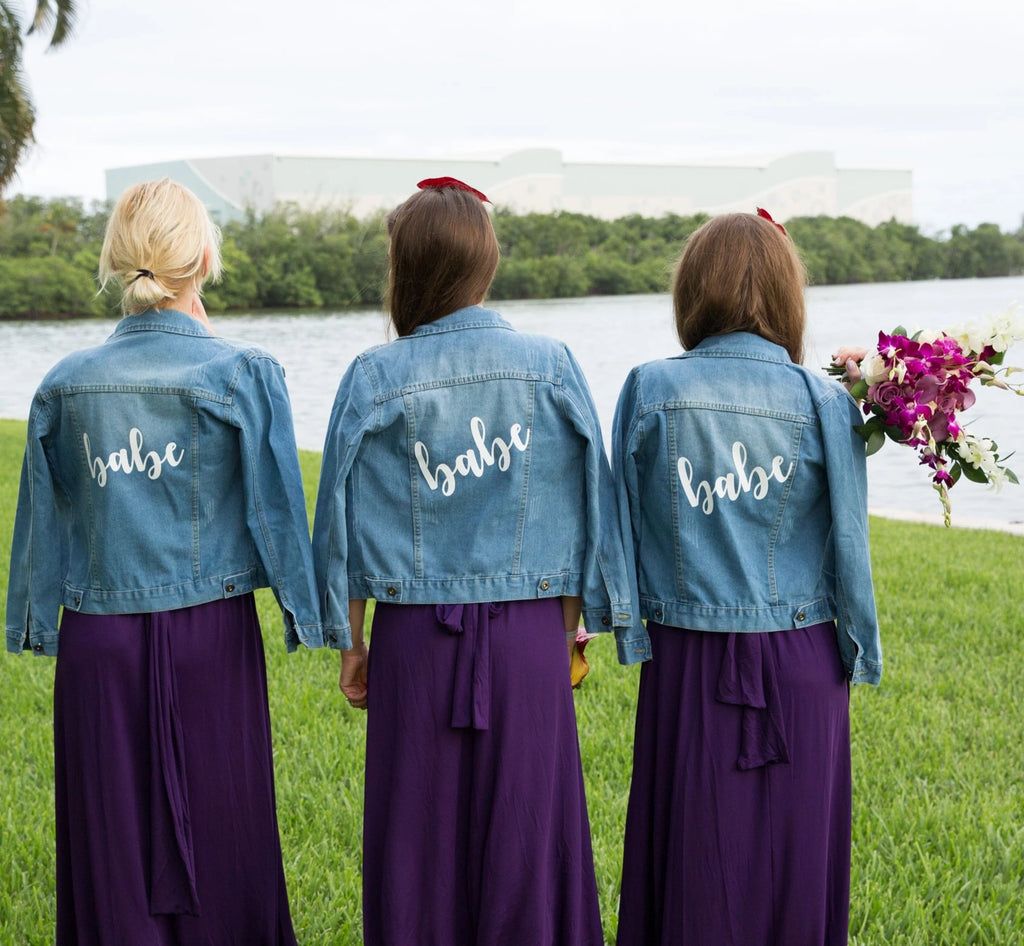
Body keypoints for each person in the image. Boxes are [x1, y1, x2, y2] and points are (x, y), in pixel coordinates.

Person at [312, 176, 650, 946]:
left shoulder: (374, 373)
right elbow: (586, 510)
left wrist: (353, 642)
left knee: (416, 848)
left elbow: (340, 518)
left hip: (414, 642)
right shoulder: (551, 363)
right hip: (530, 640)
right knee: (532, 844)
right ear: (484, 263)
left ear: (406, 268)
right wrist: (572, 629)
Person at [5, 178, 323, 945]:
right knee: (227, 819)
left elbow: (38, 527)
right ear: (203, 258)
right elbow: (278, 513)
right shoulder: (242, 372)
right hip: (209, 635)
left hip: (97, 643)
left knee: (110, 830)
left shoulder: (63, 383)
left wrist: (32, 623)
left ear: (117, 261)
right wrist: (305, 615)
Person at [612, 210, 882, 946]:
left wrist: (619, 623)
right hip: (803, 660)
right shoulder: (826, 402)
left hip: (686, 656)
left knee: (691, 854)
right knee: (798, 858)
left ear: (692, 290)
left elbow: (621, 526)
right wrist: (860, 647)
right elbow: (850, 544)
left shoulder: (649, 389)